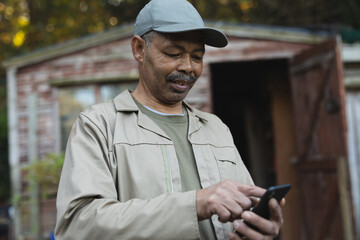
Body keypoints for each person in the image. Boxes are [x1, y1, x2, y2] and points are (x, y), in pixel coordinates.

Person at [55, 0, 285, 239]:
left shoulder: (217, 129)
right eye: (173, 53)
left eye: (197, 57)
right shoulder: (99, 126)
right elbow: (77, 226)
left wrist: (258, 227)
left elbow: (242, 213)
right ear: (139, 49)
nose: (187, 67)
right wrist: (195, 204)